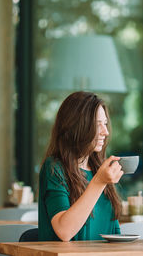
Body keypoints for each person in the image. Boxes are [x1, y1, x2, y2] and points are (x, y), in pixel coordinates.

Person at [38, 91, 124, 241]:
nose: (106, 132)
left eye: (105, 124)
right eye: (98, 125)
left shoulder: (99, 168)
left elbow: (114, 232)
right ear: (77, 126)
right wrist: (99, 182)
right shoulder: (54, 168)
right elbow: (64, 231)